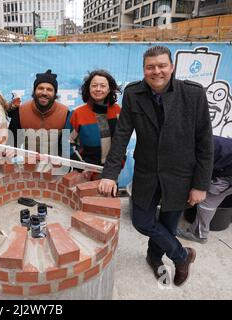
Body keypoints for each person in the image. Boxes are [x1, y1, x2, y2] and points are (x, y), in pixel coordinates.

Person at [98, 46, 213, 286]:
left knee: (168, 226)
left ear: (171, 67)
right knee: (142, 220)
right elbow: (121, 135)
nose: (156, 71)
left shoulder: (192, 94)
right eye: (150, 67)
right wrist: (110, 174)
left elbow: (205, 142)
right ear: (144, 69)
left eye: (162, 65)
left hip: (180, 174)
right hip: (147, 171)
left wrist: (200, 185)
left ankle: (154, 257)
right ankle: (182, 256)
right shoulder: (133, 94)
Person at [8, 69, 70, 167]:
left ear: (55, 93)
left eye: (49, 89)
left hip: (55, 168)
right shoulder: (21, 112)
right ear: (34, 90)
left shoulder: (65, 113)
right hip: (28, 166)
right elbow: (12, 143)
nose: (44, 93)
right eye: (40, 88)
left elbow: (66, 148)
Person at [177, 135, 232, 243]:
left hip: (228, 174)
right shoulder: (198, 140)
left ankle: (199, 234)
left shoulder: (198, 147)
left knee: (207, 202)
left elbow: (202, 170)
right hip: (224, 165)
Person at [68, 70, 121, 179]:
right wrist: (81, 167)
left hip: (111, 172)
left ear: (109, 89)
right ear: (88, 88)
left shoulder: (117, 111)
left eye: (102, 86)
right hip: (85, 174)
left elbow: (122, 141)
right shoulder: (77, 114)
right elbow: (66, 143)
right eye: (94, 85)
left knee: (108, 196)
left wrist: (119, 163)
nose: (98, 89)